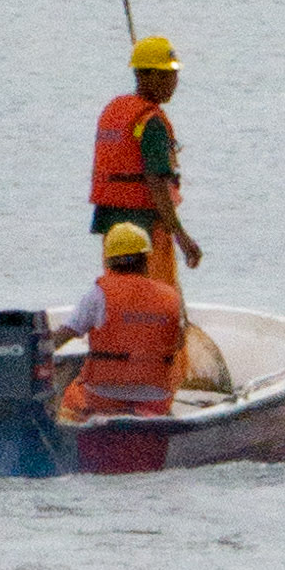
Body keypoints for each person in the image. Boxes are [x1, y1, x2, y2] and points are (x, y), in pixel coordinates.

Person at [88, 29, 199, 282]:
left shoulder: (115, 111)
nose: (173, 82)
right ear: (143, 75)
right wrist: (182, 236)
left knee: (119, 291)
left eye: (174, 75)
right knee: (156, 291)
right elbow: (157, 183)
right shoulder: (151, 123)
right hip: (147, 226)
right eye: (165, 75)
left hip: (113, 228)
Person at [67, 220, 186, 422]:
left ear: (109, 260)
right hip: (157, 397)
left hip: (104, 396)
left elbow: (64, 334)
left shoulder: (98, 294)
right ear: (146, 258)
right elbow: (179, 343)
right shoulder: (171, 296)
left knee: (69, 396)